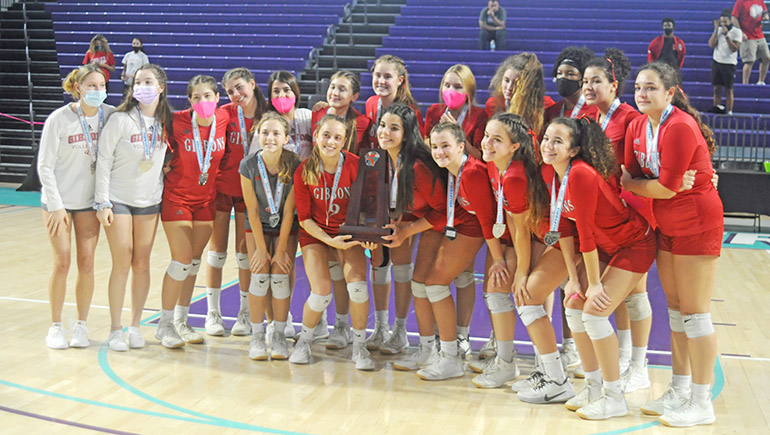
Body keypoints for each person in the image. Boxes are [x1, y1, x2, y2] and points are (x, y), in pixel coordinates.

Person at [622, 61, 722, 428]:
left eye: (651, 88)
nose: (643, 93)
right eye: (639, 87)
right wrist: (647, 184)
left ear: (670, 92)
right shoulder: (636, 125)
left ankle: (701, 400)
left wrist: (643, 185)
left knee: (695, 314)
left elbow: (657, 186)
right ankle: (680, 390)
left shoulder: (679, 126)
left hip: (696, 222)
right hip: (665, 223)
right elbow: (631, 177)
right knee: (677, 311)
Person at [538, 117, 657, 420]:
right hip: (606, 245)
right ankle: (592, 388)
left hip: (634, 243)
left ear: (574, 149)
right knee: (572, 305)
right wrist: (573, 281)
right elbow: (565, 230)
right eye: (547, 138)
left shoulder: (580, 174)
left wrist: (593, 283)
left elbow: (587, 234)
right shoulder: (553, 173)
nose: (548, 146)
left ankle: (614, 396)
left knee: (593, 312)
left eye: (558, 141)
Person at [582, 49, 653, 389]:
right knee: (622, 293)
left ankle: (638, 365)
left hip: (634, 212)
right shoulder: (587, 117)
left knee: (636, 291)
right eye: (585, 81)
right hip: (605, 215)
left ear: (613, 84)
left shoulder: (629, 117)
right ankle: (625, 357)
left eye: (596, 80)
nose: (588, 86)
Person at [289, 114, 377, 370]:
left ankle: (360, 347)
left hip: (348, 233)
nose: (331, 141)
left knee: (358, 287)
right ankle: (304, 341)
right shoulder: (304, 170)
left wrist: (369, 236)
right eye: (326, 135)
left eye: (337, 137)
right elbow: (304, 220)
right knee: (321, 293)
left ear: (345, 140)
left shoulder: (358, 165)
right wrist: (330, 241)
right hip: (315, 234)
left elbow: (370, 207)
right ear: (316, 136)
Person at [94, 64, 171, 351]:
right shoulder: (120, 119)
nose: (142, 86)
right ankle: (116, 329)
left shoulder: (167, 122)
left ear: (161, 87)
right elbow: (103, 160)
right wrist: (102, 201)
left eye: (148, 81)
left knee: (142, 263)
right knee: (123, 260)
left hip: (150, 201)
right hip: (119, 199)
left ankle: (136, 326)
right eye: (138, 82)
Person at [38, 63, 115, 349]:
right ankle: (55, 325)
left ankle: (81, 325)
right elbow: (44, 166)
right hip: (58, 202)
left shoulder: (110, 115)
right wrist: (56, 206)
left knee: (87, 262)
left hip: (89, 203)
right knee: (63, 262)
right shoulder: (58, 119)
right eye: (92, 85)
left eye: (101, 86)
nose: (97, 90)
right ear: (78, 87)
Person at [411, 122, 489, 380]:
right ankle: (445, 352)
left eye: (445, 146)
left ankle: (451, 358)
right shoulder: (454, 169)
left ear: (460, 146)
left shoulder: (472, 172)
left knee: (435, 285)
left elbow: (488, 221)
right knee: (430, 284)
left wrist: (498, 258)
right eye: (434, 146)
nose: (439, 152)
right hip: (461, 226)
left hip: (476, 230)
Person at [155, 75, 229, 349]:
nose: (202, 101)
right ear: (189, 101)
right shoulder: (177, 121)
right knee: (181, 260)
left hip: (206, 201)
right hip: (177, 199)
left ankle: (181, 321)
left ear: (217, 98)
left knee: (194, 263)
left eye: (207, 96)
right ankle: (164, 325)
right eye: (196, 97)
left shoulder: (224, 119)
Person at [375, 104, 447, 372]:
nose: (385, 132)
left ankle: (436, 348)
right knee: (409, 278)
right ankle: (411, 339)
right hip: (413, 217)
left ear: (406, 134)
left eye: (394, 128)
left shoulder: (418, 165)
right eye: (383, 125)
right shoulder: (383, 159)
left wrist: (406, 231)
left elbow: (441, 212)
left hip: (439, 222)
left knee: (424, 283)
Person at [364, 56, 425, 352]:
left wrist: (402, 206)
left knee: (401, 263)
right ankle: (380, 327)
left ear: (401, 79)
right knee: (377, 262)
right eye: (377, 75)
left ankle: (400, 331)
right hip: (378, 192)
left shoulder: (410, 112)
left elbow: (414, 155)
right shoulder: (370, 106)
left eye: (387, 76)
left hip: (402, 195)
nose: (381, 81)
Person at [202, 68, 267, 338]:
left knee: (244, 255)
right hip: (222, 189)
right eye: (229, 91)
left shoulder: (268, 115)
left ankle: (244, 311)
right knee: (217, 253)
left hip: (250, 192)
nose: (235, 95)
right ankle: (212, 313)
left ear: (252, 84)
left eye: (239, 87)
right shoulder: (224, 113)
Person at [239, 113, 301, 360]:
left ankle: (278, 334)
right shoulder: (248, 165)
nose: (270, 138)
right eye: (265, 132)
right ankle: (256, 336)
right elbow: (252, 210)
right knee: (259, 274)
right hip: (258, 226)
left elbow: (288, 211)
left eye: (276, 133)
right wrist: (262, 250)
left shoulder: (295, 164)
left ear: (286, 138)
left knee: (280, 276)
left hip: (286, 226)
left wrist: (281, 249)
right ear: (258, 135)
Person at [424, 64, 489, 160]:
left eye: (457, 87)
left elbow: (479, 156)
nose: (450, 91)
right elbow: (425, 144)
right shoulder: (433, 111)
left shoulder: (479, 115)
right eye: (447, 85)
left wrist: (456, 132)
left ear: (468, 92)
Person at [311, 70, 372, 154]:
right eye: (332, 87)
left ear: (354, 96)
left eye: (342, 90)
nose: (335, 93)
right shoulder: (317, 112)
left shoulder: (362, 122)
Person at [485, 53, 554, 119]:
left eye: (516, 83)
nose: (509, 87)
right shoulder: (493, 105)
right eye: (506, 80)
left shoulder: (546, 105)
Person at [265, 70, 313, 160]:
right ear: (270, 97)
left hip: (306, 172)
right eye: (276, 91)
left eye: (286, 90)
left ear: (295, 93)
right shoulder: (266, 122)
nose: (281, 95)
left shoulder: (307, 116)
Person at [545, 47, 598, 125]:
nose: (563, 78)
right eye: (559, 73)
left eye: (570, 74)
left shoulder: (595, 110)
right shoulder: (553, 111)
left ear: (583, 78)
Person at [709, 10, 743, 114]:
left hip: (729, 64)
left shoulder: (737, 32)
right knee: (717, 88)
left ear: (730, 21)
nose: (723, 24)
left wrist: (727, 36)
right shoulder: (718, 30)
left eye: (725, 21)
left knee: (729, 89)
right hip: (717, 62)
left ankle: (730, 110)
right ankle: (717, 108)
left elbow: (734, 48)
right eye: (721, 22)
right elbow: (711, 44)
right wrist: (716, 30)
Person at [732, 0, 770, 84]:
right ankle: (745, 84)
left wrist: (765, 16)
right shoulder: (741, 2)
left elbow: (765, 12)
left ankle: (761, 81)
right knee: (749, 61)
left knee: (766, 58)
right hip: (748, 36)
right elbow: (734, 17)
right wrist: (740, 32)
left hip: (759, 34)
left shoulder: (760, 1)